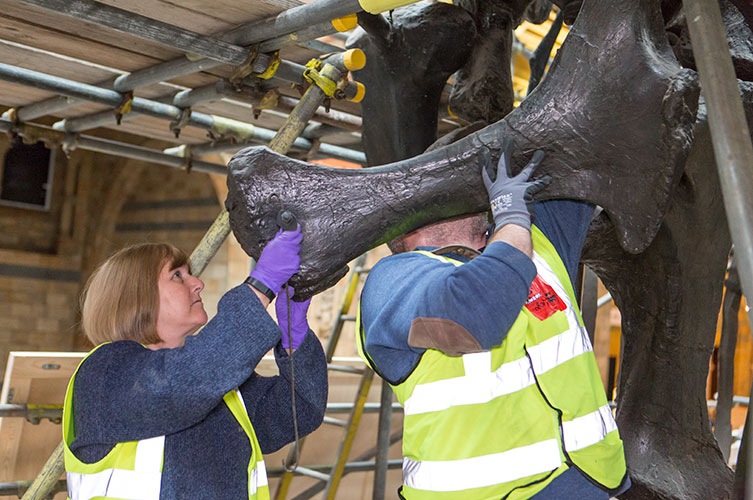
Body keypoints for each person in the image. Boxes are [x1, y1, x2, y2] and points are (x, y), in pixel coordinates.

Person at [357, 139, 630, 499]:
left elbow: (578, 145)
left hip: (590, 483)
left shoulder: (538, 242)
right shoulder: (393, 280)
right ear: (412, 220)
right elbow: (474, 316)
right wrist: (512, 217)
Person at [63, 227, 327, 499]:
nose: (197, 283)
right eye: (177, 275)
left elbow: (299, 410)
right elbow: (183, 382)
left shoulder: (214, 383)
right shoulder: (106, 373)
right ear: (136, 296)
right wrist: (260, 286)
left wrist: (294, 338)